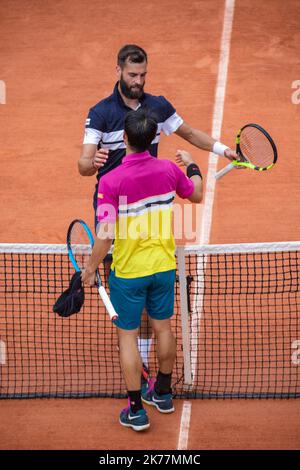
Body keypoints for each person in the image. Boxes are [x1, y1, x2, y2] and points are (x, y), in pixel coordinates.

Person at [78, 44, 237, 375]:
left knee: (139, 276)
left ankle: (142, 351)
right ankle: (139, 343)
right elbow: (83, 161)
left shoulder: (157, 106)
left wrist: (224, 150)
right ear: (118, 71)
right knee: (123, 273)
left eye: (143, 75)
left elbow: (190, 133)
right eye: (133, 74)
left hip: (147, 205)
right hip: (113, 202)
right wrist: (89, 162)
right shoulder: (101, 113)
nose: (138, 81)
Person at [81, 108, 203, 431]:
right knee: (163, 328)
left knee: (128, 339)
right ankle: (163, 392)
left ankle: (135, 410)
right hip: (164, 267)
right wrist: (191, 164)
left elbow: (105, 233)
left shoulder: (110, 181)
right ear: (153, 139)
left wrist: (91, 268)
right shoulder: (167, 170)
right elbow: (197, 192)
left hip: (128, 274)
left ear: (124, 139)